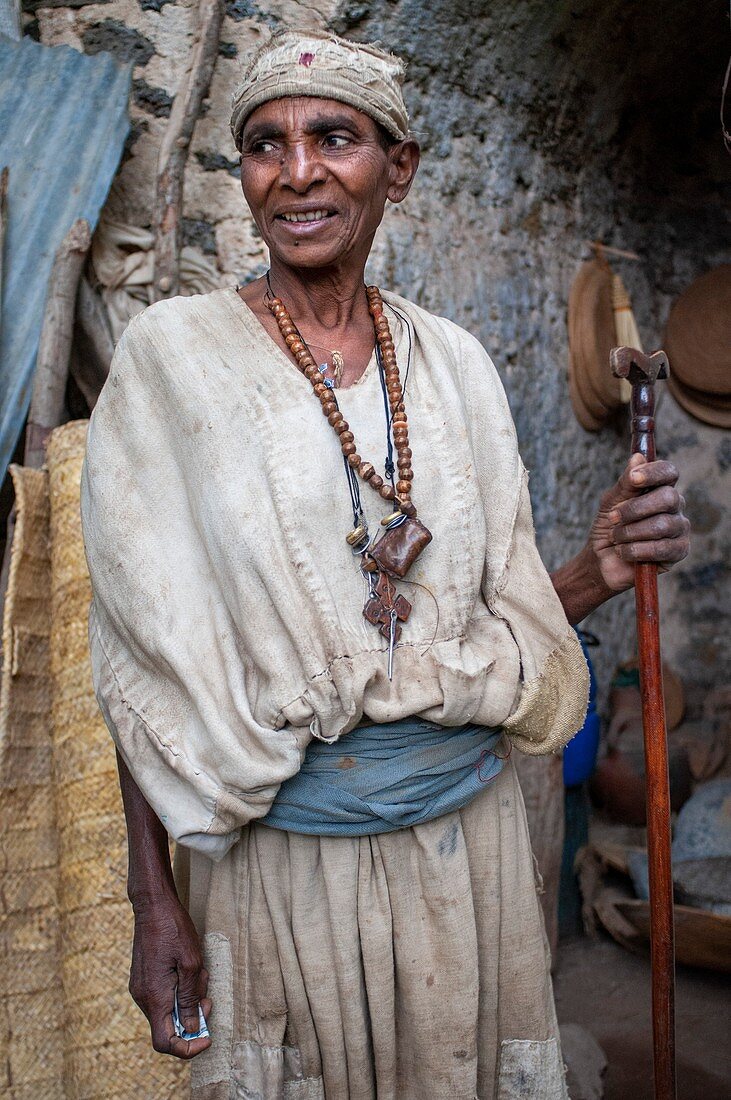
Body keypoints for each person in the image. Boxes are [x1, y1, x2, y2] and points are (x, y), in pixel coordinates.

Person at [80, 30, 690, 1100]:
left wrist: (594, 564)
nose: (298, 170)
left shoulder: (451, 363)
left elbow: (474, 625)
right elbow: (141, 660)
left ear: (396, 168)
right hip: (277, 865)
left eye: (335, 137)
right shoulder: (172, 361)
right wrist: (153, 898)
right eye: (266, 144)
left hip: (471, 849)